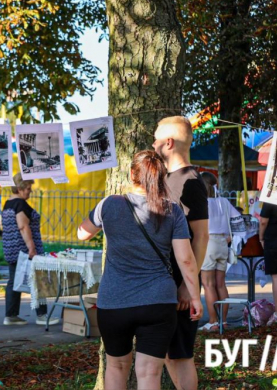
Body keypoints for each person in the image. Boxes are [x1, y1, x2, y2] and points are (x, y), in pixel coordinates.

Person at [77, 151, 202, 390]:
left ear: (133, 173)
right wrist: (194, 296)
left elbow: (82, 233)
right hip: (159, 302)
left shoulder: (109, 204)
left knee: (116, 367)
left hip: (114, 302)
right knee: (149, 373)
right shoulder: (172, 210)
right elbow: (186, 260)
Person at [152, 116, 209, 390]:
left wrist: (189, 286)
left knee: (179, 356)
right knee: (168, 354)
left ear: (169, 143)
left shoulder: (191, 181)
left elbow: (201, 236)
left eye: (156, 138)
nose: (152, 144)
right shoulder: (167, 179)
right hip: (164, 287)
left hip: (180, 289)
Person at [1, 173, 59, 326]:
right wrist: (31, 247)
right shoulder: (21, 205)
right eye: (27, 188)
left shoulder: (8, 204)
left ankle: (11, 315)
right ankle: (42, 315)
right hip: (25, 250)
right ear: (19, 188)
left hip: (11, 249)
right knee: (38, 280)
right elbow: (23, 226)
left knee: (14, 281)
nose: (30, 191)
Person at [199, 172, 246, 331]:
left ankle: (212, 322)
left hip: (208, 242)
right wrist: (230, 238)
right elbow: (239, 221)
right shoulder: (224, 201)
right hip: (222, 243)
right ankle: (223, 321)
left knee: (208, 284)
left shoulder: (202, 202)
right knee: (221, 284)